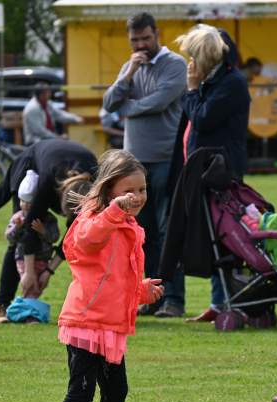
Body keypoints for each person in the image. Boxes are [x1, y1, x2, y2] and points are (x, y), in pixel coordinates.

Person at [45, 150, 164, 402]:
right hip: (85, 323)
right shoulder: (94, 219)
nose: (138, 197)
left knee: (117, 391)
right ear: (110, 189)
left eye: (142, 190)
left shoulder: (128, 226)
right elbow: (86, 241)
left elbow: (116, 277)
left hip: (110, 326)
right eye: (130, 190)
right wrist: (114, 211)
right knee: (80, 392)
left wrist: (140, 291)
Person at [103, 12, 189, 319]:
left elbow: (160, 101)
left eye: (146, 38)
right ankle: (148, 297)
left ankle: (174, 300)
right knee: (141, 234)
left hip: (167, 158)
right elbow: (108, 103)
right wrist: (127, 76)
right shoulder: (131, 66)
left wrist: (127, 107)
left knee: (169, 232)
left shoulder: (176, 64)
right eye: (135, 39)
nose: (141, 44)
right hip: (134, 164)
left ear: (158, 34)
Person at [172, 25, 251, 323]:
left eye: (193, 57)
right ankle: (220, 302)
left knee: (226, 236)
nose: (190, 64)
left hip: (220, 173)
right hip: (202, 171)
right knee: (212, 235)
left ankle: (232, 301)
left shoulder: (231, 83)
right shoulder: (213, 80)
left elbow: (203, 120)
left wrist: (192, 91)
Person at [0, 140, 98, 323]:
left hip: (65, 164)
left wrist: (48, 271)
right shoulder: (47, 184)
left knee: (78, 230)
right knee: (19, 237)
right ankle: (1, 306)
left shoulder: (96, 186)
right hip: (31, 167)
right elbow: (29, 230)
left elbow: (74, 237)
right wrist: (29, 272)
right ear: (59, 201)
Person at [4, 173, 61, 320]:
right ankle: (31, 317)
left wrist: (43, 231)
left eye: (30, 201)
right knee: (30, 286)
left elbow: (55, 237)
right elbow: (9, 236)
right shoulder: (18, 217)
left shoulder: (49, 218)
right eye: (22, 200)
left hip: (43, 260)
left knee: (39, 287)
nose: (25, 204)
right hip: (23, 259)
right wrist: (17, 228)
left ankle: (20, 311)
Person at [23, 82, 85, 146]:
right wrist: (56, 137)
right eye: (48, 92)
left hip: (48, 140)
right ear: (42, 95)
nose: (50, 94)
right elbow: (39, 130)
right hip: (36, 142)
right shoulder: (32, 108)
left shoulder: (47, 103)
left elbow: (59, 114)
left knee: (66, 145)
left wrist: (75, 118)